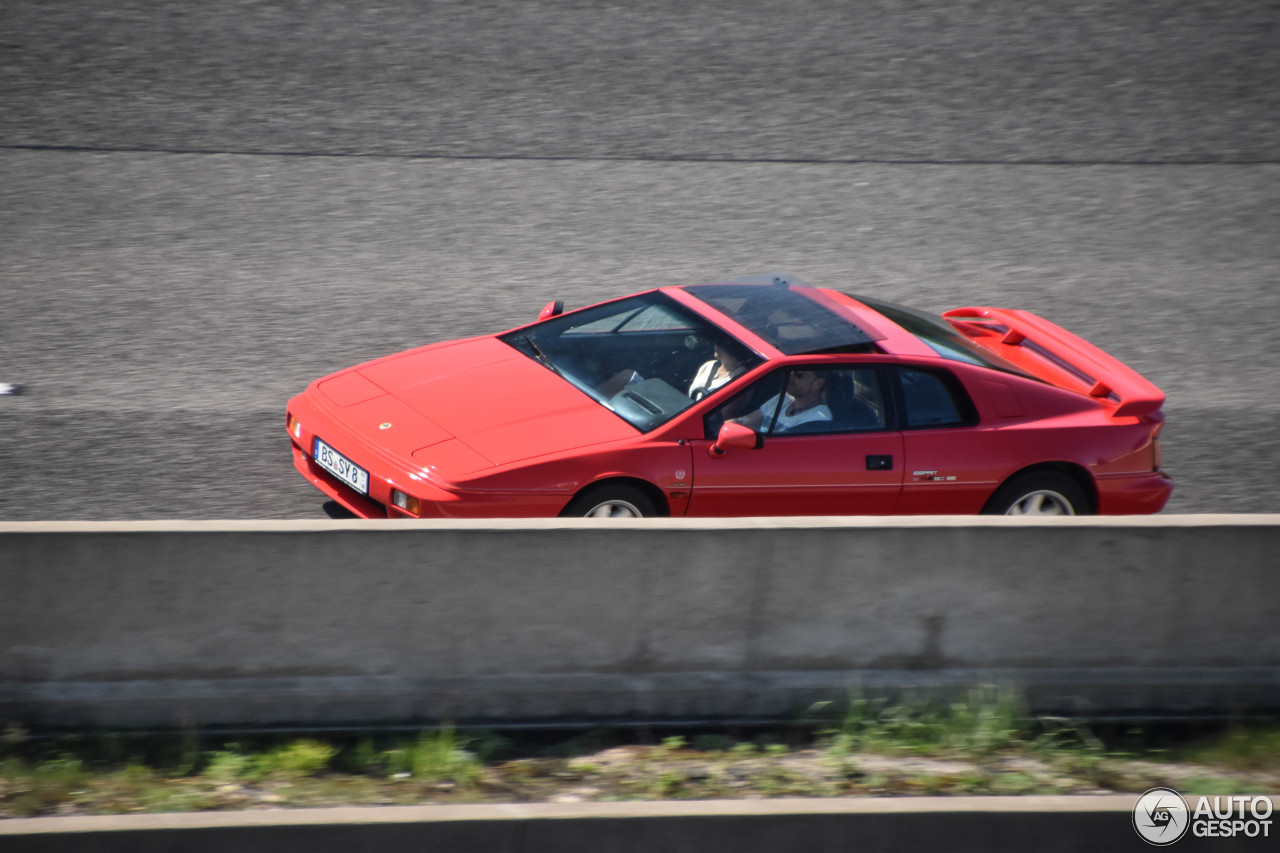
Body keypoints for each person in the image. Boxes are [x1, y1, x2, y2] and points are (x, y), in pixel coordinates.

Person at [733, 369, 832, 433]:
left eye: (799, 375)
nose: (790, 378)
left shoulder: (818, 420)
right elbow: (744, 421)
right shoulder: (783, 398)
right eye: (790, 373)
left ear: (819, 383)